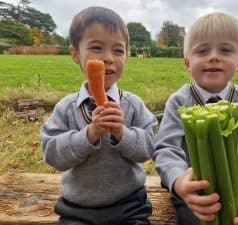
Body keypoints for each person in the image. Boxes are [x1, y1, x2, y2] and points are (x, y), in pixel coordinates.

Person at [153, 12, 238, 225]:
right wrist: (179, 182)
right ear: (187, 63)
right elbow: (166, 149)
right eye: (202, 51)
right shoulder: (179, 102)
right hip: (198, 196)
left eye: (225, 50)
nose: (214, 56)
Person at [40, 6, 157, 225]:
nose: (108, 58)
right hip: (78, 208)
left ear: (127, 54)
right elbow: (52, 154)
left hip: (129, 205)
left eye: (118, 50)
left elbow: (148, 148)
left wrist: (122, 133)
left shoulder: (133, 105)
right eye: (96, 48)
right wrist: (89, 134)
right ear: (75, 54)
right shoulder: (67, 108)